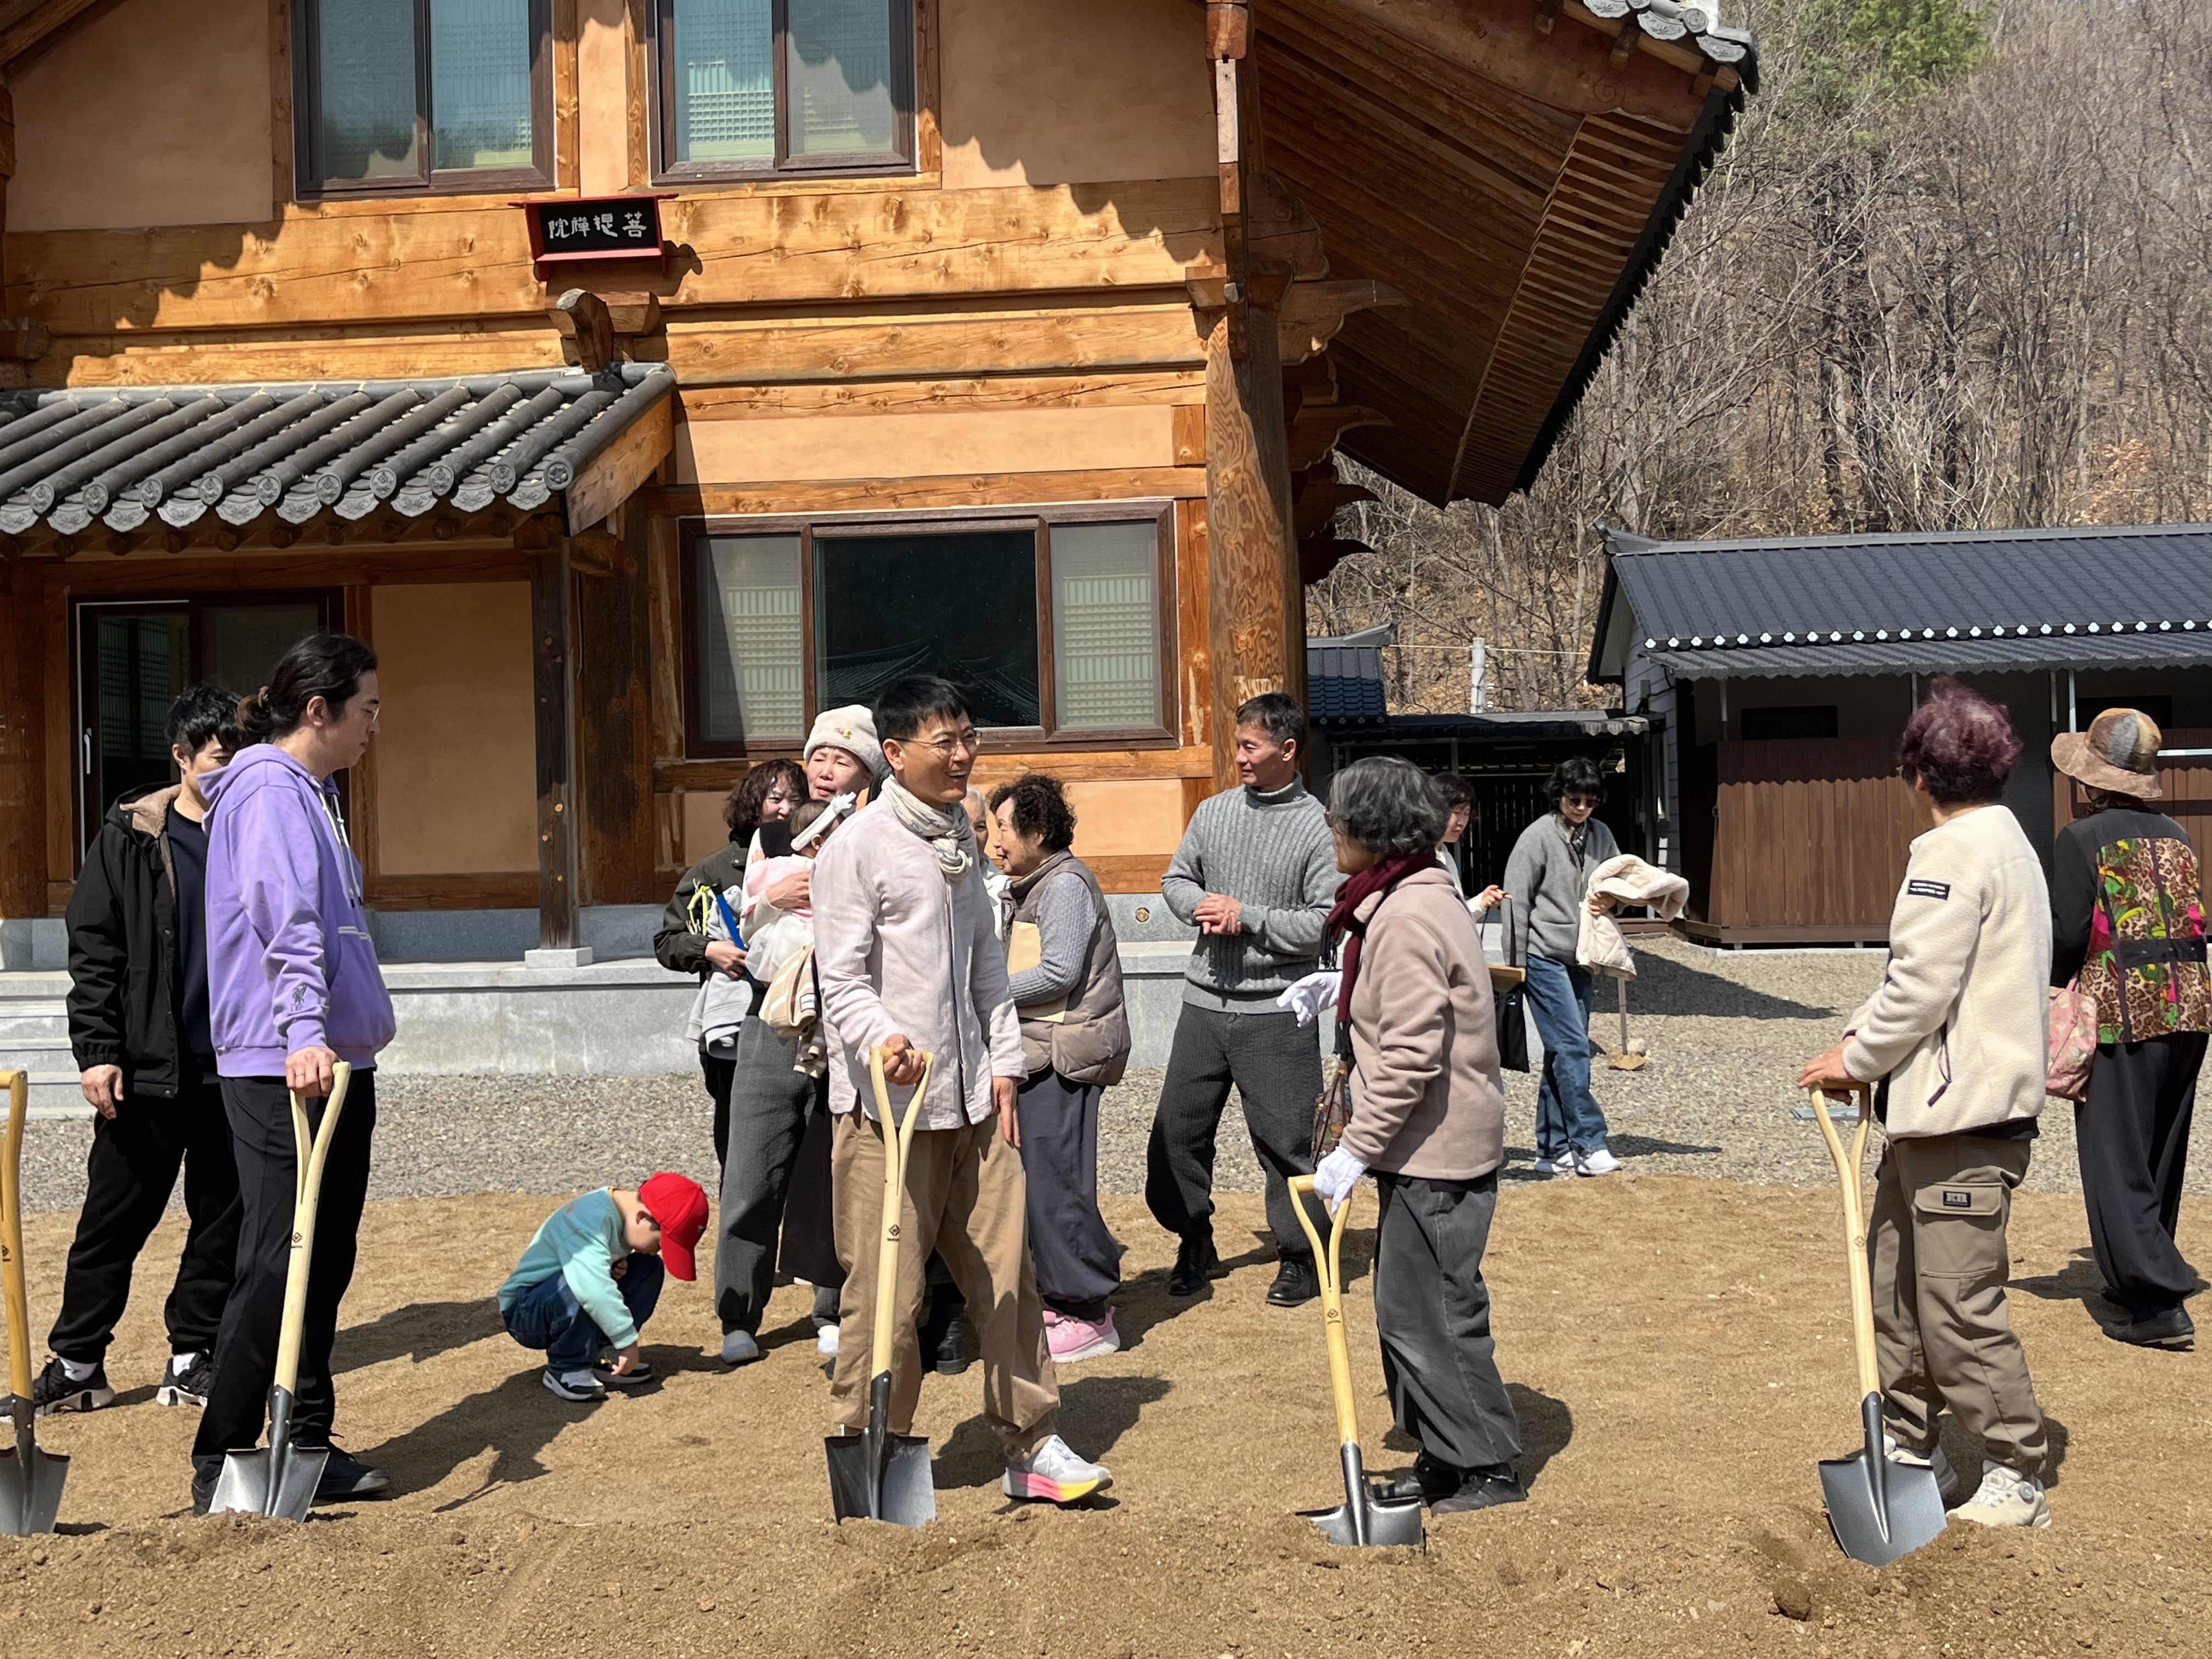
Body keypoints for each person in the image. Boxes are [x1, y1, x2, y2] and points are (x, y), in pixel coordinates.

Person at [814, 675, 1112, 1504]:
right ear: (895, 752)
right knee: (888, 1296)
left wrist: (1004, 1063)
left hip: (975, 1105)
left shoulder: (961, 843)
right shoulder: (856, 847)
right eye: (943, 741)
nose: (962, 754)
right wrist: (885, 1041)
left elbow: (989, 971)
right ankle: (872, 1445)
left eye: (969, 737)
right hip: (887, 1112)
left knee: (1009, 1279)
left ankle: (1033, 1442)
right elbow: (841, 979)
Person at [1799, 678, 2054, 1530]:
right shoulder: (2010, 840)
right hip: (1944, 1117)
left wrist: (1855, 1057)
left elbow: (1919, 987)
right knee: (1898, 1293)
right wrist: (1858, 1040)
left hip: (1961, 1120)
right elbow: (1922, 985)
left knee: (1954, 1306)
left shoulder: (1952, 853)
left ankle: (2016, 1468)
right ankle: (1911, 1446)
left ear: (1919, 776)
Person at [189, 634, 396, 1515]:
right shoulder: (270, 791)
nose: (375, 726)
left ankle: (306, 1437)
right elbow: (286, 918)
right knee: (280, 1258)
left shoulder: (316, 794)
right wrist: (304, 1031)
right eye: (367, 709)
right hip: (286, 1061)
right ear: (319, 709)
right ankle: (225, 1450)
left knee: (326, 1257)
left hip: (338, 1059)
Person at [1310, 759, 1523, 1514]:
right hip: (1429, 1140)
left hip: (1437, 1146)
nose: (1332, 832)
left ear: (1371, 830)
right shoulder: (1416, 892)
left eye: (1339, 821)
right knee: (1407, 1306)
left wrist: (1354, 1149)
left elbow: (1409, 1056)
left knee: (1433, 1309)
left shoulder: (1404, 914)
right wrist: (1343, 991)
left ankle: (1487, 1464)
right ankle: (1445, 1455)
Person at [37, 687, 244, 1418]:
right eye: (216, 758)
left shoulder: (257, 830)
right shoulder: (130, 836)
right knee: (111, 1222)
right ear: (181, 756)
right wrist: (97, 1051)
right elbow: (94, 947)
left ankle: (194, 1355)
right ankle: (78, 1363)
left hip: (233, 1068)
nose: (228, 772)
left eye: (238, 757)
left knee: (221, 1222)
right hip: (147, 1068)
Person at [1149, 692, 1338, 1306]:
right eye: (1238, 746)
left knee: (1288, 1142)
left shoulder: (1319, 826)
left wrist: (1248, 916)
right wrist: (1198, 905)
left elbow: (1323, 923)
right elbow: (1176, 878)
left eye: (1251, 747)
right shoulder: (1214, 811)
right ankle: (1193, 1239)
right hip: (1203, 1004)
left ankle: (1301, 1255)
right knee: (1178, 1132)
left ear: (1288, 750)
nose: (1240, 758)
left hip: (1280, 1009)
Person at [708, 710, 878, 1368]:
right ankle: (738, 1310)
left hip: (849, 1015)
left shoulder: (878, 829)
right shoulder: (773, 833)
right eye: (819, 756)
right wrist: (773, 894)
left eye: (843, 759)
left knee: (839, 1166)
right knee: (753, 1163)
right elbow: (746, 921)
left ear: (869, 770)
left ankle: (835, 1309)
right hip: (774, 1013)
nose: (826, 769)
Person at [2049, 706, 2208, 1352]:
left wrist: (2053, 985)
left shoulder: (2080, 838)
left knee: (2115, 1158)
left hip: (2122, 1011)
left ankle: (2160, 1298)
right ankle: (2137, 1282)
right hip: (2191, 1005)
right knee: (2160, 1151)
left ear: (2092, 777)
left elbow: (2067, 933)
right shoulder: (2177, 834)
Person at [988, 773, 1131, 1362]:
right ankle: (1065, 1294)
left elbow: (1059, 973)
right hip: (1043, 1051)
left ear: (1039, 831)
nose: (995, 839)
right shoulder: (1034, 885)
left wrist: (982, 992)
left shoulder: (1065, 885)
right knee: (1042, 1181)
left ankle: (1088, 1313)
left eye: (1004, 827)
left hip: (1063, 1055)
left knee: (1058, 1184)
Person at [656, 758, 804, 1170]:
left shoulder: (815, 856)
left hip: (803, 1018)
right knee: (740, 1145)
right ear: (754, 802)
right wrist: (710, 950)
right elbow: (667, 941)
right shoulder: (716, 869)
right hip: (736, 1026)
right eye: (776, 798)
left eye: (796, 800)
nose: (785, 810)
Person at [1503, 757, 1623, 1177]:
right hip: (1542, 955)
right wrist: (1516, 964)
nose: (1583, 807)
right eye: (1575, 799)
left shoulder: (1601, 835)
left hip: (1583, 956)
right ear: (1559, 796)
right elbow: (1515, 901)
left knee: (1561, 1051)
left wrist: (1614, 899)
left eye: (1591, 800)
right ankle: (1590, 1142)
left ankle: (1551, 1148)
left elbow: (1618, 882)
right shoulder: (1536, 837)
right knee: (1574, 1047)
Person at [498, 1171, 709, 1402]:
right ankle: (567, 1366)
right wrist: (626, 1341)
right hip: (525, 1311)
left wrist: (616, 1263)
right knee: (585, 1284)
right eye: (660, 1243)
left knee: (649, 1267)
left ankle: (599, 1354)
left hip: (557, 1297)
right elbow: (591, 1288)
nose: (658, 1250)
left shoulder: (622, 1211)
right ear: (643, 1218)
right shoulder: (590, 1222)